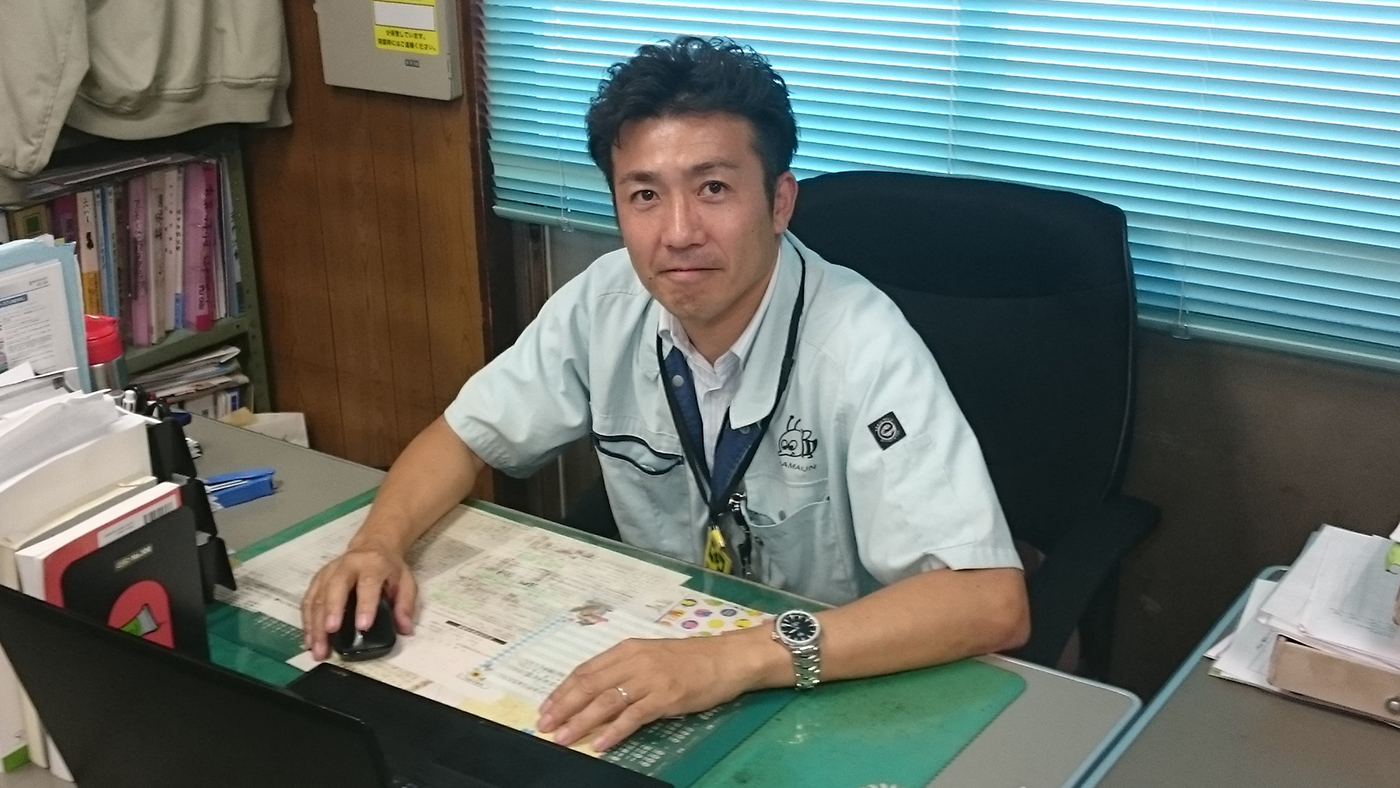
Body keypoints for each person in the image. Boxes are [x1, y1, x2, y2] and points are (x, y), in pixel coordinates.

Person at [301, 35, 1029, 753]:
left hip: (834, 681)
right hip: (668, 650)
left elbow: (990, 602)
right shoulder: (605, 302)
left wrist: (732, 660)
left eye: (713, 188)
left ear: (779, 201)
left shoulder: (862, 343)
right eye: (645, 195)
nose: (678, 233)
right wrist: (376, 545)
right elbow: (464, 436)